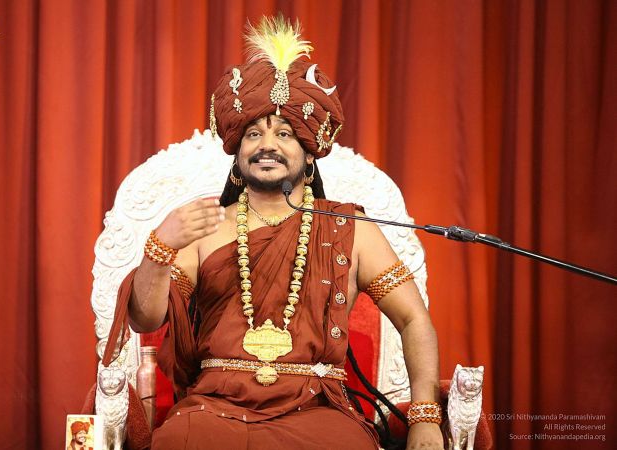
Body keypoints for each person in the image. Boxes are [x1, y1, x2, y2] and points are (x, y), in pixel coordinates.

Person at [104, 16, 443, 449]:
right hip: (214, 409)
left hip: (317, 410)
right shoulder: (206, 226)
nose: (268, 145)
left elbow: (414, 319)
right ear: (237, 152)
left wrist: (425, 416)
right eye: (253, 134)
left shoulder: (350, 230)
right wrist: (160, 247)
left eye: (284, 133)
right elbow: (145, 319)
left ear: (309, 153)